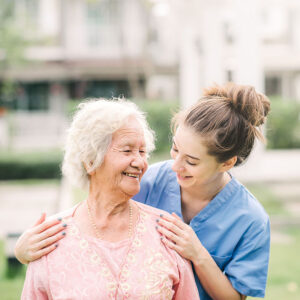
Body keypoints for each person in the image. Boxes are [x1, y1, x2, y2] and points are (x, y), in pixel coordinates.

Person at [17, 82, 271, 300]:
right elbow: (99, 206)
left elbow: (236, 297)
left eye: (191, 161)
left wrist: (198, 254)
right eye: (175, 149)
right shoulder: (150, 180)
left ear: (227, 163)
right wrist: (24, 250)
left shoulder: (251, 220)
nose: (176, 165)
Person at [21, 99, 200, 299]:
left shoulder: (166, 232)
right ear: (90, 161)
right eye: (127, 150)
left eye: (142, 152)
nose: (140, 162)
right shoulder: (50, 239)